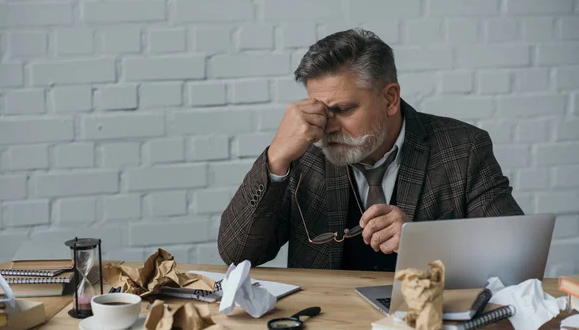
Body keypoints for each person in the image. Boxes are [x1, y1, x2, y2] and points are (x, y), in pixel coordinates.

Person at [218, 28, 523, 271]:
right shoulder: (302, 152)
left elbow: (515, 254)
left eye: (343, 109)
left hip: (425, 323)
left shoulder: (463, 148)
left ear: (390, 99)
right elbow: (238, 252)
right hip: (325, 324)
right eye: (321, 110)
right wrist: (276, 159)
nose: (328, 126)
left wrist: (425, 243)